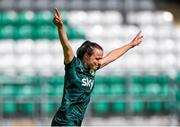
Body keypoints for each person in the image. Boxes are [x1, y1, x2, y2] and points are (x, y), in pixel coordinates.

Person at [51, 8, 143, 126]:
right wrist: (60, 27)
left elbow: (112, 56)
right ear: (86, 56)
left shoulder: (92, 69)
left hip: (75, 121)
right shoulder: (73, 66)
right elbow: (66, 46)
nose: (100, 62)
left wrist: (130, 45)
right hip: (65, 121)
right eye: (97, 58)